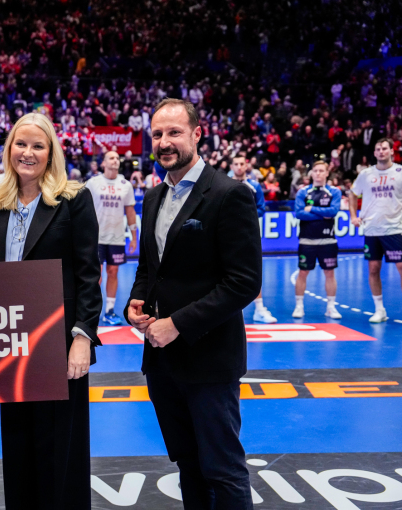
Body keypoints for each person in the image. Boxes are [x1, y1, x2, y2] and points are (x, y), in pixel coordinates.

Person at [125, 99, 261, 510]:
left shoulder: (230, 194)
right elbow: (152, 266)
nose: (165, 142)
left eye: (174, 133)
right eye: (158, 134)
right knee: (187, 463)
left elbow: (244, 283)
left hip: (209, 360)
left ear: (198, 134)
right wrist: (137, 298)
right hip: (162, 362)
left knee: (223, 468)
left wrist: (177, 324)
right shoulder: (152, 197)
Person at [0, 112, 102, 509]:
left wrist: (82, 337)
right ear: (9, 149)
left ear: (51, 152)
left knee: (60, 449)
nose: (28, 153)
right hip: (10, 342)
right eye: (21, 144)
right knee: (16, 441)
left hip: (58, 341)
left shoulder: (73, 198)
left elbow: (88, 274)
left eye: (38, 145)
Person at [349, 137, 402, 323]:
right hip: (372, 230)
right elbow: (353, 194)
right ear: (374, 152)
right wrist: (353, 216)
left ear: (391, 151)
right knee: (373, 269)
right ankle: (380, 310)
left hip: (395, 229)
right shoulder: (366, 174)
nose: (381, 151)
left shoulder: (400, 172)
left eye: (384, 148)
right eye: (378, 149)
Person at [85, 150, 138, 324]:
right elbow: (84, 209)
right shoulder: (93, 183)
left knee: (113, 272)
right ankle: (91, 311)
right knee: (96, 275)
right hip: (96, 238)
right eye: (111, 158)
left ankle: (109, 311)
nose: (115, 160)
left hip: (116, 238)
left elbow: (130, 211)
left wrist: (134, 236)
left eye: (117, 158)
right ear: (103, 163)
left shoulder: (125, 185)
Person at [230, 154, 277, 323]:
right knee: (226, 274)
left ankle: (259, 309)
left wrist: (244, 216)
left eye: (242, 164)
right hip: (226, 236)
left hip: (249, 236)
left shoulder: (255, 186)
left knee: (253, 271)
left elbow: (262, 209)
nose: (239, 167)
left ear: (246, 166)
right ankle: (232, 312)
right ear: (231, 166)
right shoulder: (222, 184)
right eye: (236, 164)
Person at [292, 161, 342, 319]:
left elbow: (333, 211)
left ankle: (331, 307)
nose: (318, 173)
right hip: (307, 240)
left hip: (328, 240)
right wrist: (323, 214)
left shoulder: (334, 191)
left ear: (327, 173)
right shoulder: (303, 192)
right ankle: (299, 306)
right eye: (315, 170)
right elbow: (299, 213)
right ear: (311, 173)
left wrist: (311, 209)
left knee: (329, 273)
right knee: (303, 272)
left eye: (321, 171)